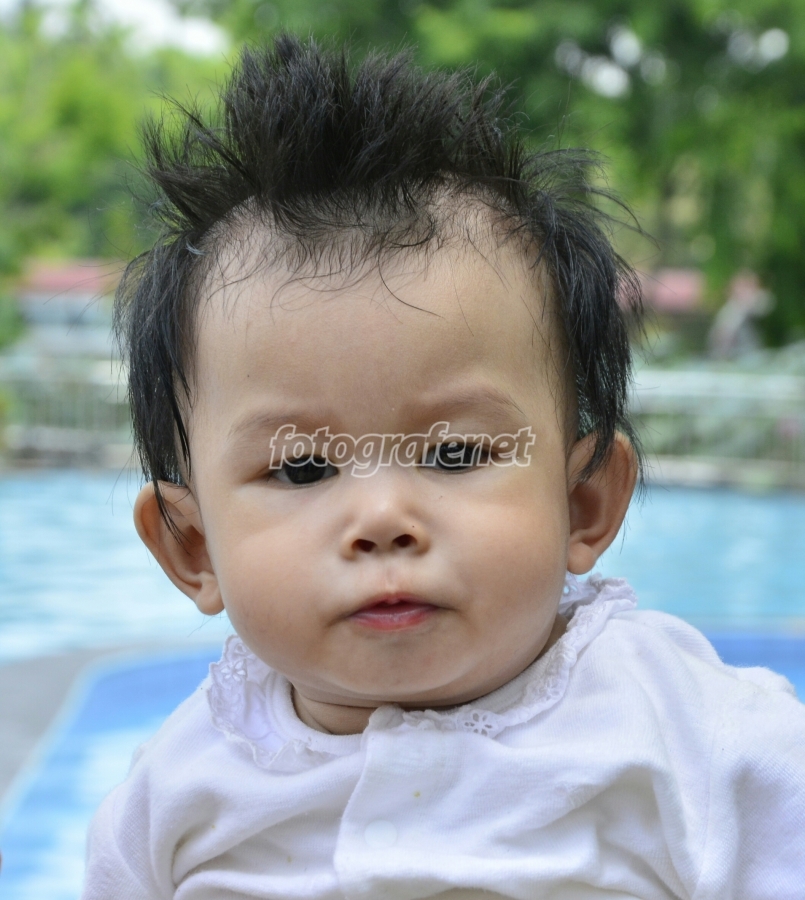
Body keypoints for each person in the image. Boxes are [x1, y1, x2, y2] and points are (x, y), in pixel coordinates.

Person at [82, 35, 805, 900]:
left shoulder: (703, 739)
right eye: (302, 469)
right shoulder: (172, 800)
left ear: (582, 503)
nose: (382, 518)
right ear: (192, 548)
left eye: (455, 453)